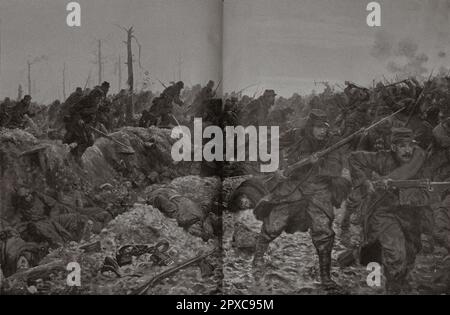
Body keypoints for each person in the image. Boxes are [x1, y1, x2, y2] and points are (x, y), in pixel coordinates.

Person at [252, 109, 350, 289]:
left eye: (325, 127)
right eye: (319, 127)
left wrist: (317, 163)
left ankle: (325, 277)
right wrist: (278, 168)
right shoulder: (296, 135)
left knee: (323, 232)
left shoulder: (333, 142)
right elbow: (269, 146)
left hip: (319, 190)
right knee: (274, 224)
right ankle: (258, 257)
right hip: (293, 186)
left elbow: (336, 168)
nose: (323, 131)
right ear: (310, 127)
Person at [349, 128, 428, 293]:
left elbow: (407, 171)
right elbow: (354, 158)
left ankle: (396, 279)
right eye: (402, 146)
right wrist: (365, 182)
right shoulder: (381, 158)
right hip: (385, 212)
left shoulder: (418, 155)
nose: (407, 150)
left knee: (410, 252)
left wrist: (388, 180)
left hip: (410, 214)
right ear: (393, 147)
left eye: (410, 145)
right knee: (397, 254)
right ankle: (392, 288)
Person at [63, 82, 110, 161]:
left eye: (100, 98)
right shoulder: (85, 100)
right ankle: (71, 154)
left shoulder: (96, 104)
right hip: (75, 122)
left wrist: (106, 108)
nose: (99, 100)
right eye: (98, 98)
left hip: (86, 124)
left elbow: (98, 108)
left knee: (90, 141)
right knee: (83, 139)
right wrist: (79, 119)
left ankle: (77, 155)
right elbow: (73, 109)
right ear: (94, 96)